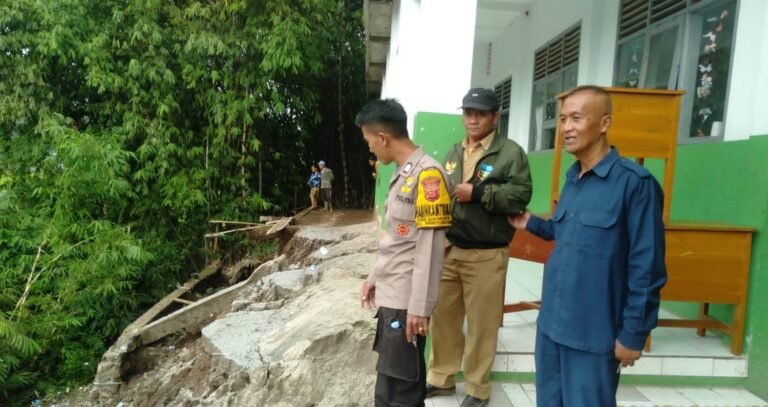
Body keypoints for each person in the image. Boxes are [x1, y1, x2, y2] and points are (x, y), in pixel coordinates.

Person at [507, 85, 667, 406]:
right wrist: (531, 223)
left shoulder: (635, 184)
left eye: (576, 118)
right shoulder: (572, 178)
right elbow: (567, 232)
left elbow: (646, 268)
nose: (566, 128)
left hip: (594, 334)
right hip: (552, 326)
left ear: (604, 123)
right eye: (563, 119)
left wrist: (633, 333)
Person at [426, 88, 532, 407]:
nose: (472, 119)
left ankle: (477, 389)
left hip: (486, 253)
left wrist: (479, 194)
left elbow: (520, 195)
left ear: (495, 117)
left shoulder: (510, 153)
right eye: (468, 112)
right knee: (443, 319)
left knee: (482, 326)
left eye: (480, 113)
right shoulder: (453, 152)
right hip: (450, 248)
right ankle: (441, 379)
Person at [356, 98, 452, 407]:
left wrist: (419, 308)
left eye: (370, 142)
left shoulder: (428, 177)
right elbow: (396, 241)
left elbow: (430, 247)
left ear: (383, 138)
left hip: (406, 304)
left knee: (401, 394)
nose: (370, 149)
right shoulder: (403, 174)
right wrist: (374, 277)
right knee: (391, 386)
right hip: (392, 296)